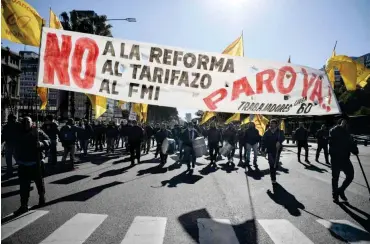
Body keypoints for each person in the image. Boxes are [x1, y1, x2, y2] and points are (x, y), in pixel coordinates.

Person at [13, 117, 50, 215]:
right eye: (24, 122)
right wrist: (16, 157)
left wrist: (41, 143)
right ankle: (24, 205)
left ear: (31, 123)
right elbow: (15, 145)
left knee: (39, 182)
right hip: (23, 163)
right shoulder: (19, 133)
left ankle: (42, 198)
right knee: (24, 186)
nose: (25, 124)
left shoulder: (37, 132)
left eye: (27, 122)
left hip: (36, 163)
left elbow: (48, 141)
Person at [329, 118, 358, 203]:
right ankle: (335, 195)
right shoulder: (334, 131)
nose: (344, 124)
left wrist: (354, 147)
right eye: (343, 122)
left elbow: (351, 147)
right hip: (336, 158)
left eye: (346, 123)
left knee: (350, 176)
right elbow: (335, 140)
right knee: (335, 178)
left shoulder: (347, 134)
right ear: (339, 123)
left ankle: (340, 190)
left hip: (345, 158)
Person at [262, 119, 285, 184]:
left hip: (277, 150)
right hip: (269, 150)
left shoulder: (280, 132)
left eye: (272, 123)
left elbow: (283, 137)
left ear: (276, 124)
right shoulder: (267, 132)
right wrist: (263, 150)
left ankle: (272, 173)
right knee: (272, 164)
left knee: (276, 164)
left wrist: (279, 141)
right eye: (270, 123)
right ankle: (273, 178)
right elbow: (263, 141)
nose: (271, 124)